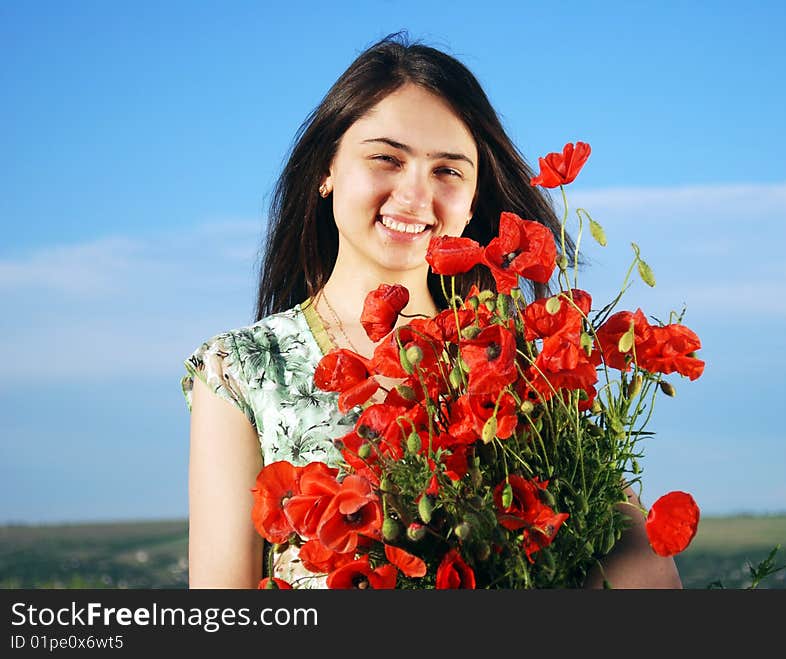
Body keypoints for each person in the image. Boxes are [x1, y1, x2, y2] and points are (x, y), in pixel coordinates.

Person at [181, 31, 682, 589]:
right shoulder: (243, 368)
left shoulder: (521, 363)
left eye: (447, 171)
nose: (416, 197)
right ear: (327, 169)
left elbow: (630, 546)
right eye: (386, 159)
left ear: (471, 203)